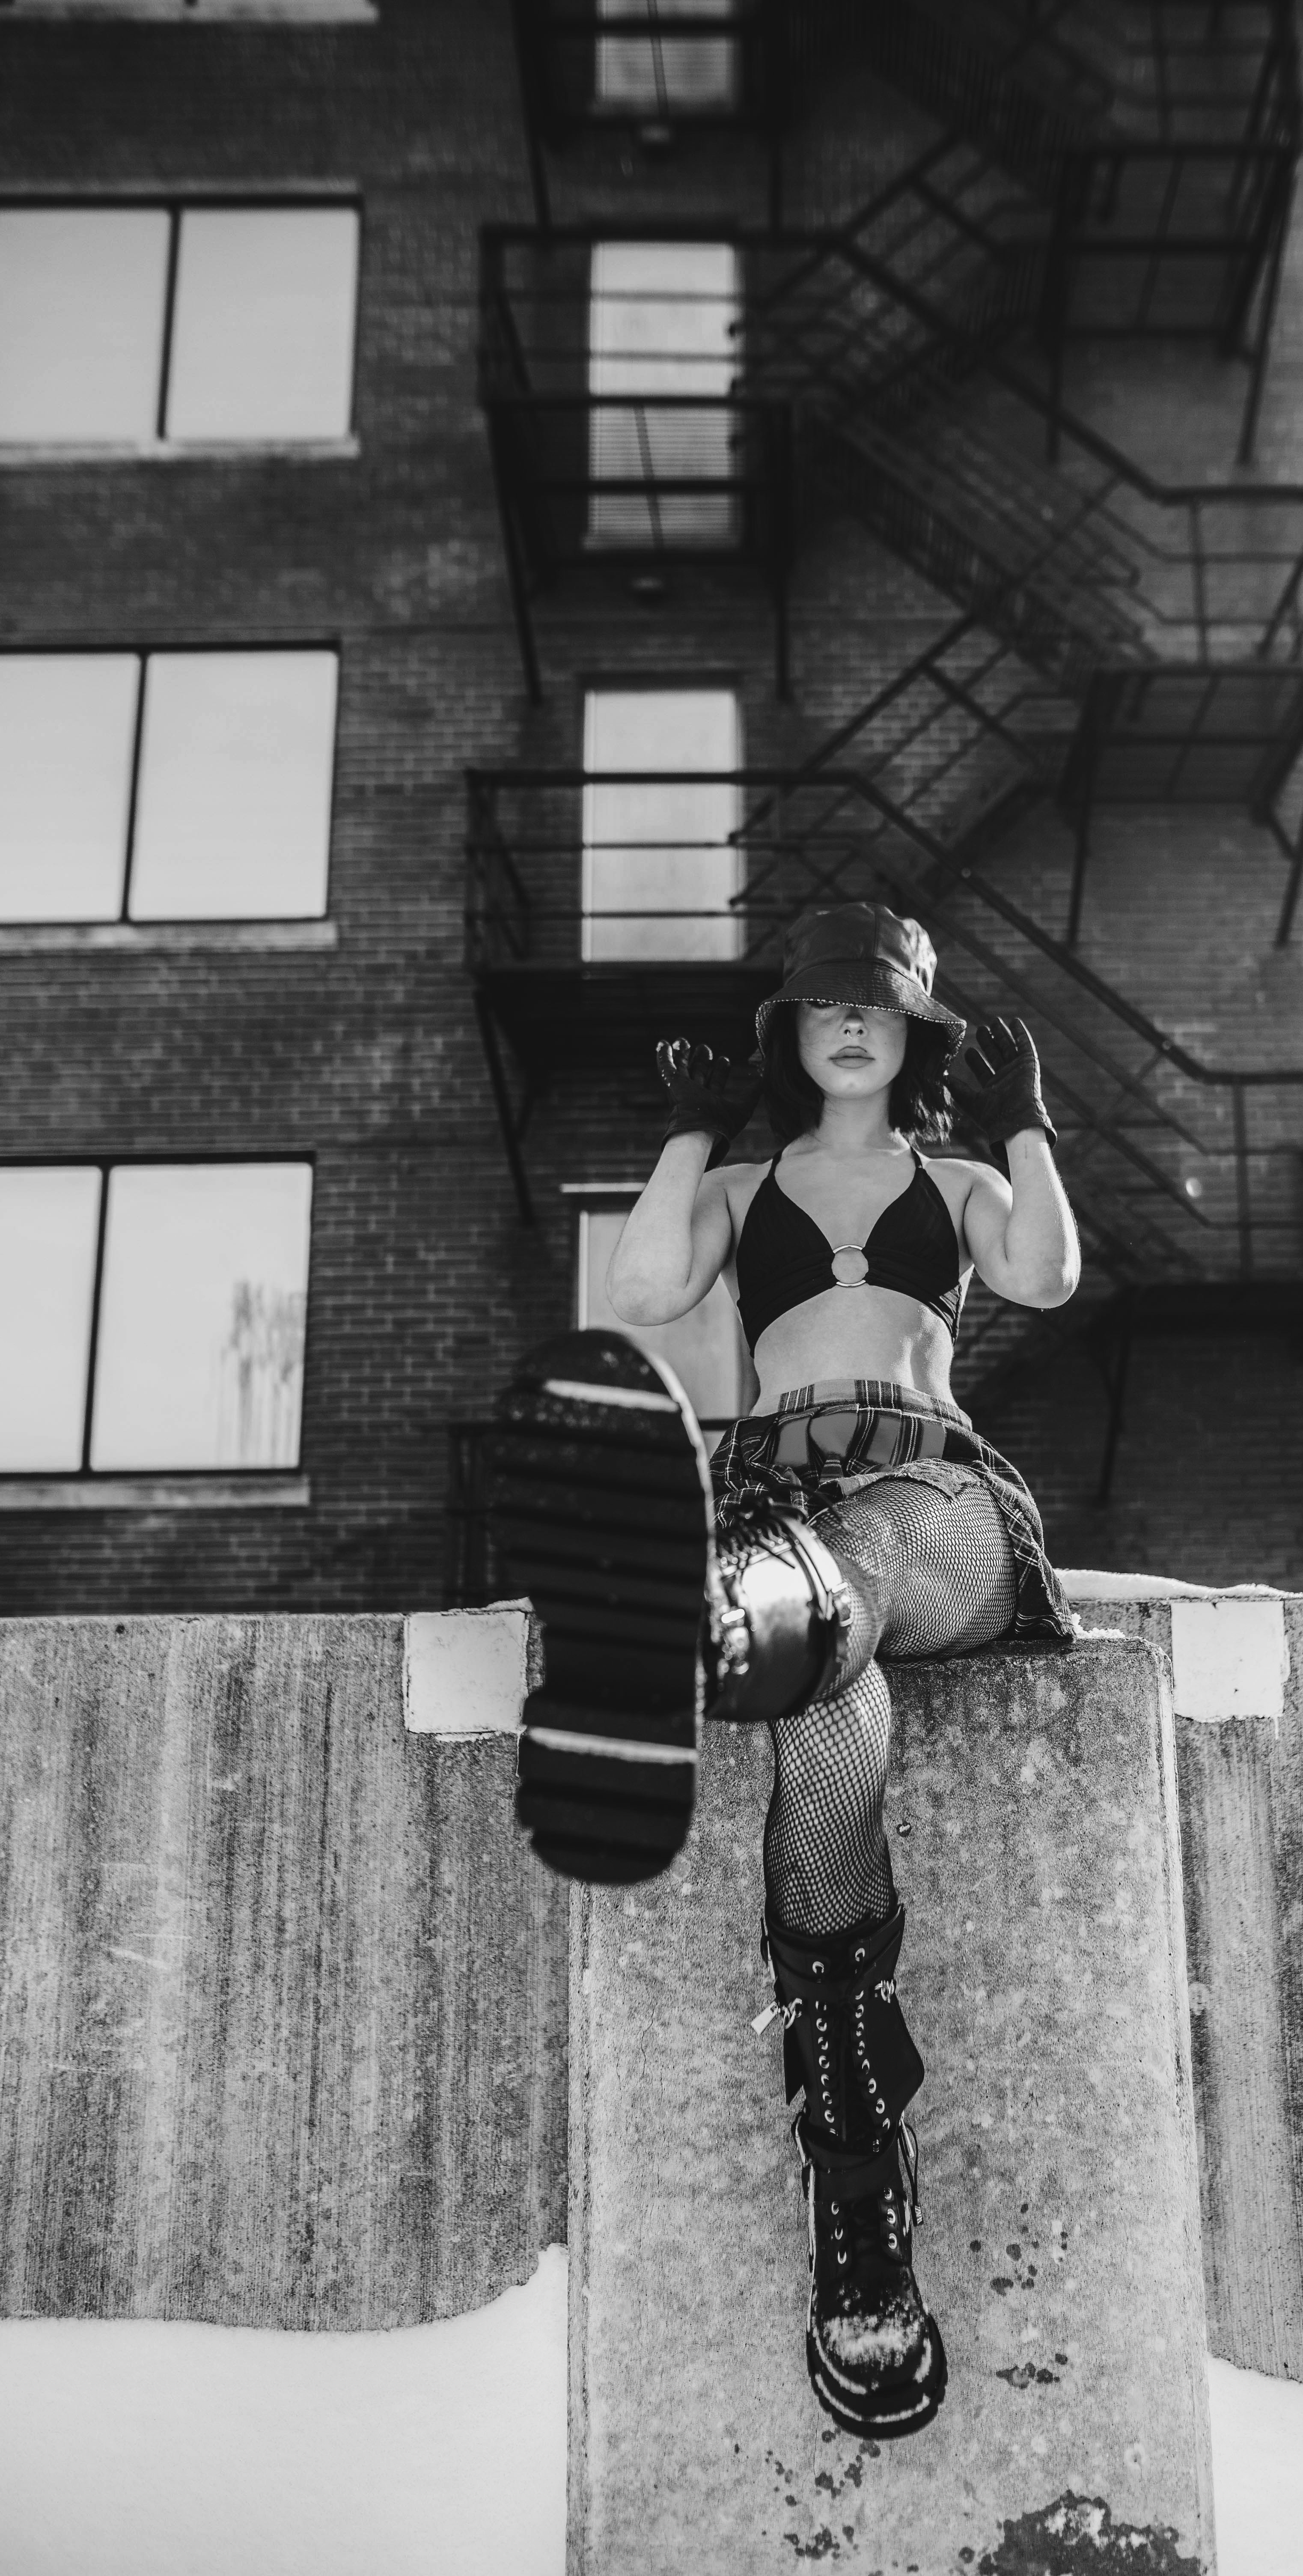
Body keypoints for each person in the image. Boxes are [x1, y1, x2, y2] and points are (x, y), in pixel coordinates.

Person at [491, 900, 1080, 2441]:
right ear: (787, 1035)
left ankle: (734, 1611)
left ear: (912, 1037)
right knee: (830, 1706)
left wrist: (1025, 1135)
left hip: (934, 1506)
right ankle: (851, 2140)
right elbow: (642, 1293)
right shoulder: (743, 1180)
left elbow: (1048, 1278)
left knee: (844, 1589)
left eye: (876, 1010)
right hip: (775, 1496)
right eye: (821, 1008)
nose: (847, 1028)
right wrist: (688, 1134)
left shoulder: (952, 1177)